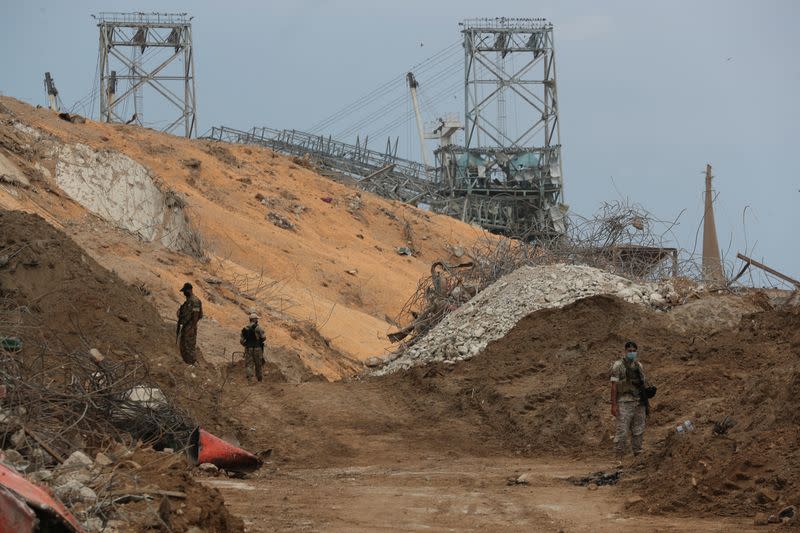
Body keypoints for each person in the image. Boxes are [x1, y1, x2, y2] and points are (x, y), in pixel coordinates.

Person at [610, 340, 648, 457]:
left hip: (639, 402)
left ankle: (638, 454)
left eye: (634, 351)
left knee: (639, 430)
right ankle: (618, 457)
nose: (632, 353)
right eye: (629, 351)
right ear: (625, 351)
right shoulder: (618, 365)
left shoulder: (639, 366)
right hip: (624, 402)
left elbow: (643, 383)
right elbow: (614, 386)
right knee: (622, 431)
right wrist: (614, 405)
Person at [176, 282, 203, 364]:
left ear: (190, 290)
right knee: (184, 346)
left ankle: (192, 364)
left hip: (190, 328)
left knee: (189, 347)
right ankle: (187, 363)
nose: (184, 293)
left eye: (185, 291)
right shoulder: (188, 301)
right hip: (185, 327)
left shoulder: (195, 301)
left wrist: (192, 328)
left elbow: (196, 315)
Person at [240, 312, 267, 383]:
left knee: (249, 365)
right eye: (257, 319)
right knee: (258, 364)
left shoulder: (244, 329)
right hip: (257, 349)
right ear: (254, 320)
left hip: (248, 349)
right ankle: (259, 380)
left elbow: (241, 341)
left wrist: (246, 345)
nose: (257, 320)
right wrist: (259, 341)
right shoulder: (258, 328)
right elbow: (264, 337)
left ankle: (250, 381)